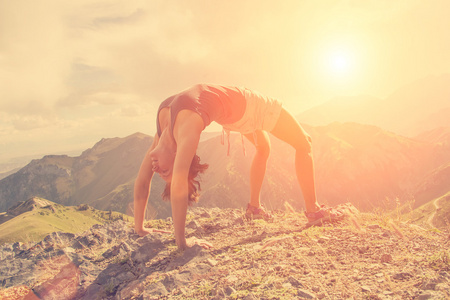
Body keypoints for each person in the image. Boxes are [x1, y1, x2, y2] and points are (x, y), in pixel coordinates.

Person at [134, 84, 343, 250]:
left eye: (164, 171)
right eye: (163, 172)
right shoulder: (183, 130)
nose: (155, 169)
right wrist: (179, 242)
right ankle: (314, 211)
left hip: (234, 115)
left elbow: (147, 181)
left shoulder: (164, 130)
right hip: (246, 108)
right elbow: (176, 181)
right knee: (304, 143)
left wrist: (142, 228)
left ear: (176, 155)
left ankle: (254, 208)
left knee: (264, 147)